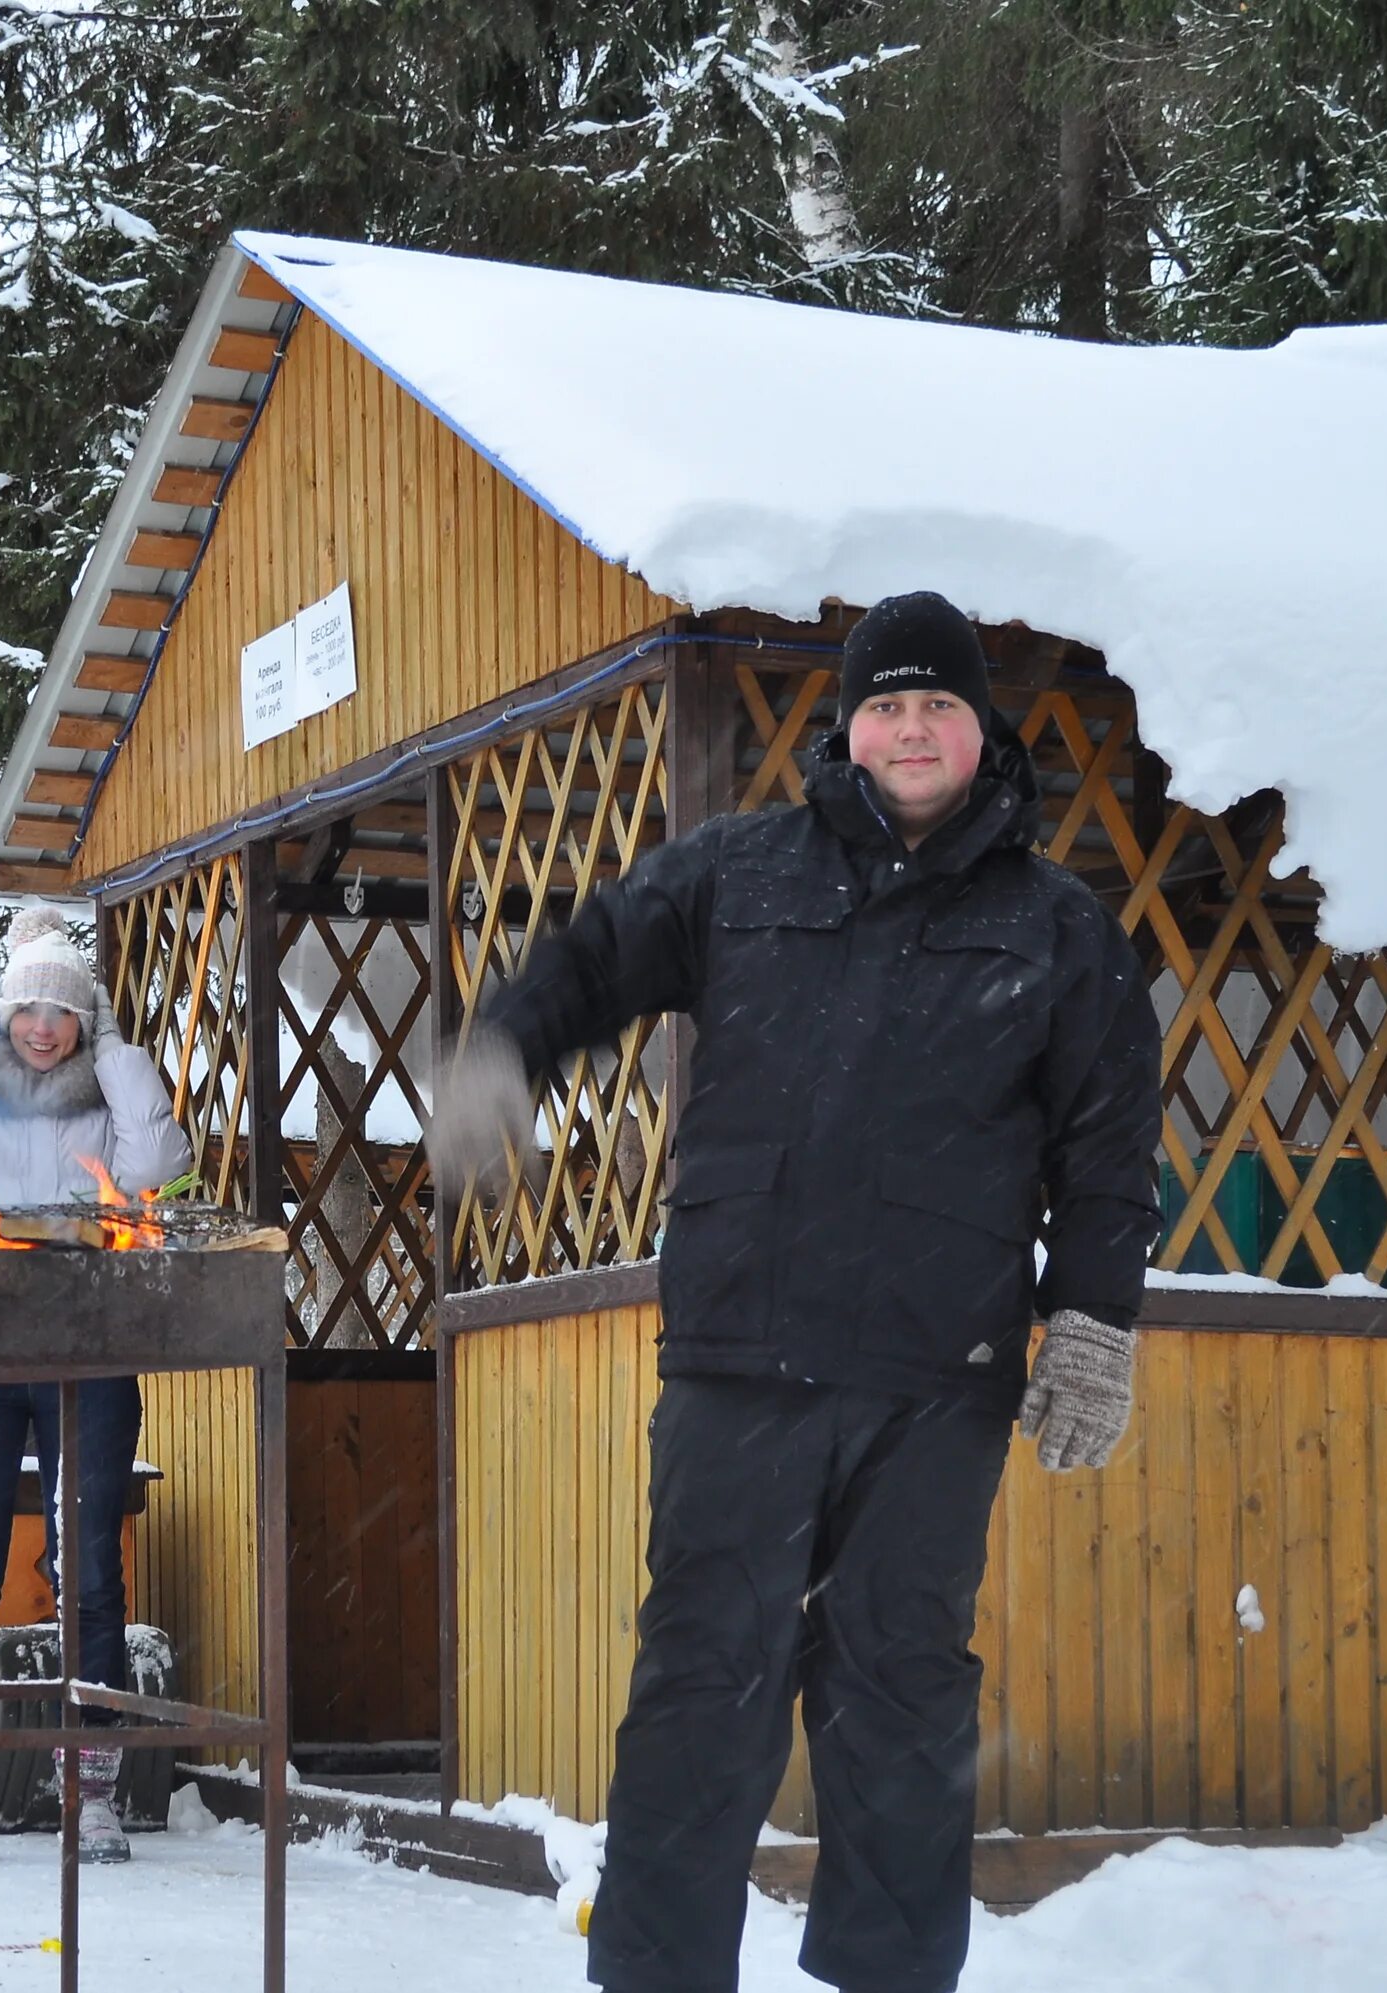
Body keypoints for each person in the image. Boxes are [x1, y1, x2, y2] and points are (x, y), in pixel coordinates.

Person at [427, 592, 1162, 1993]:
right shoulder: (741, 869)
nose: (910, 726)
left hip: (933, 1376)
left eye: (936, 702)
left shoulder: (1057, 926)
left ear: (977, 724)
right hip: (741, 1358)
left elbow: (1111, 1142)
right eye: (886, 704)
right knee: (705, 1681)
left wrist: (1094, 1320)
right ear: (849, 726)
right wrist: (506, 1050)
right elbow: (593, 959)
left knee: (901, 1696)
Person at [0, 905, 193, 1869]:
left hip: (87, 1346)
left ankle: (91, 1790)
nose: (43, 1025)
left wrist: (116, 1046)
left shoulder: (103, 1093)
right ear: (4, 1015)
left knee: (89, 1570)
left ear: (85, 1020)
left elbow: (160, 1164)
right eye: (28, 1009)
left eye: (64, 1010)